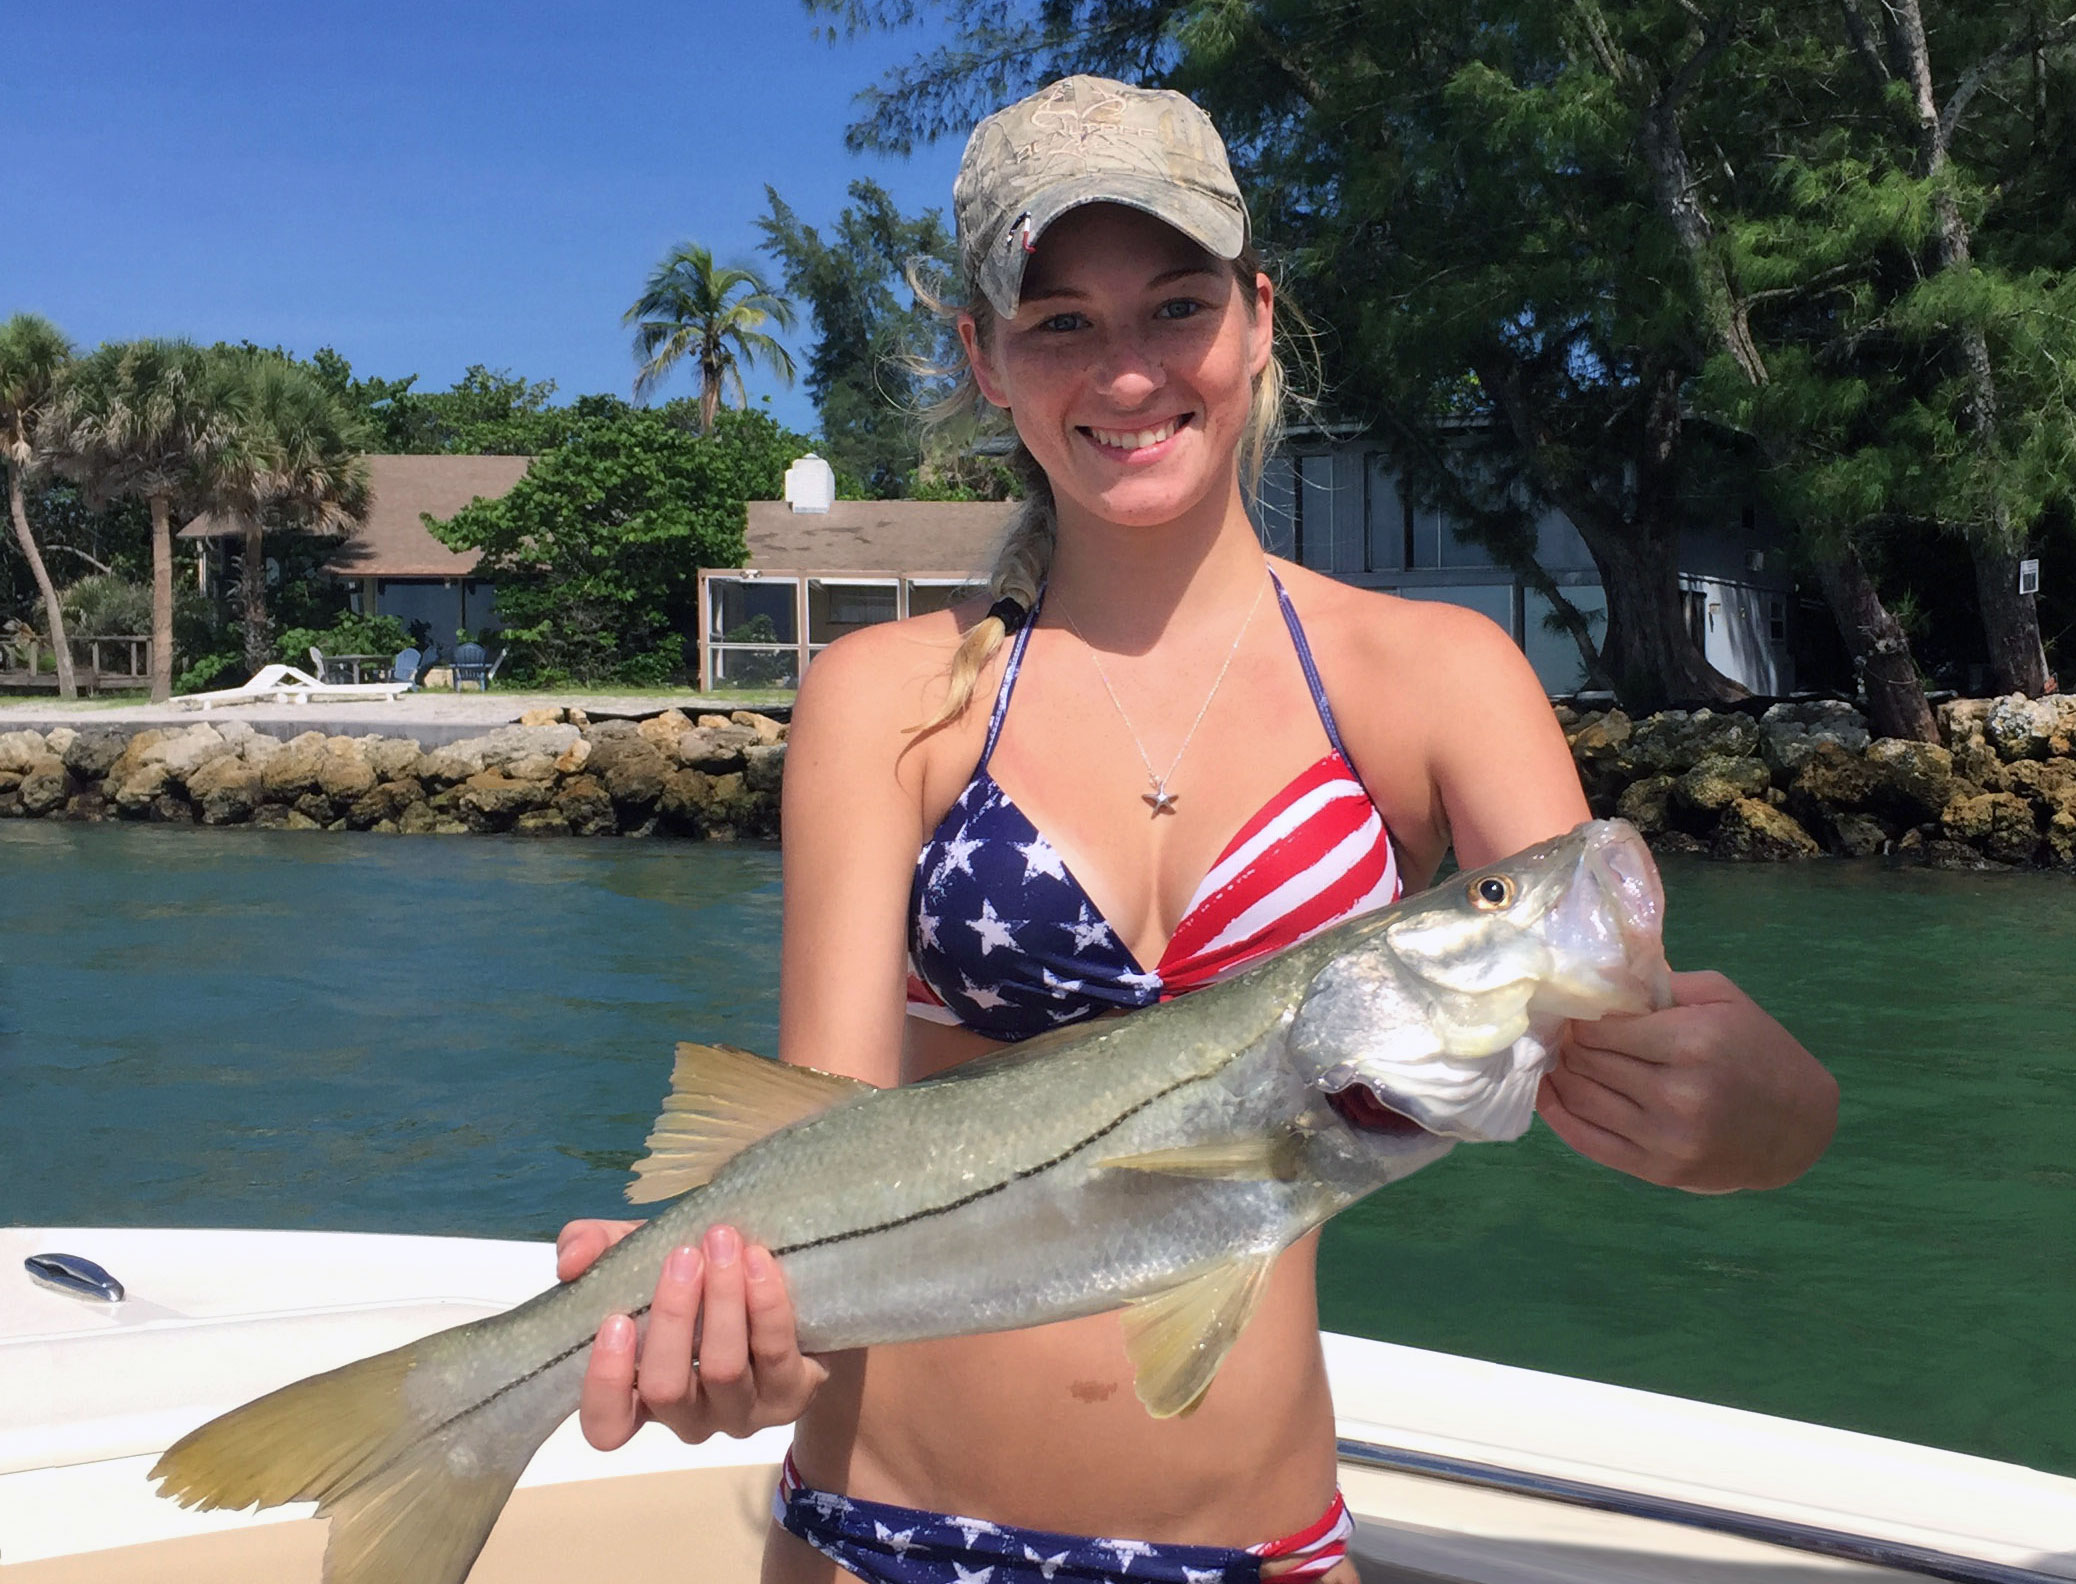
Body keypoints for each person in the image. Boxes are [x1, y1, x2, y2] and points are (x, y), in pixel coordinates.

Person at [555, 74, 1838, 1584]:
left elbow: (1669, 1067)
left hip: (1260, 1551)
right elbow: (817, 1139)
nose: (1127, 374)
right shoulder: (881, 699)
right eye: (1061, 326)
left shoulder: (1433, 677)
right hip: (874, 1538)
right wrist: (734, 1337)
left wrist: (1760, 1114)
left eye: (1175, 306)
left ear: (1258, 315)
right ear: (985, 361)